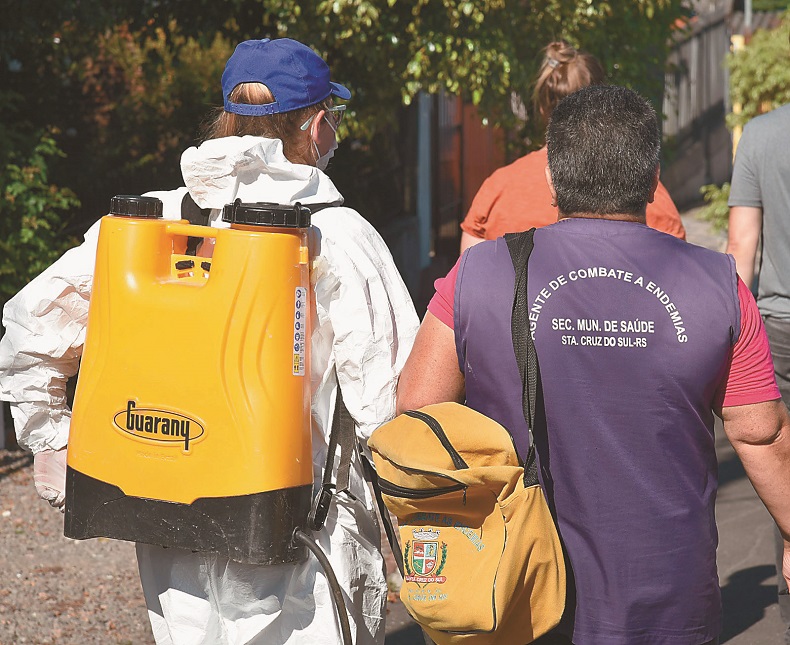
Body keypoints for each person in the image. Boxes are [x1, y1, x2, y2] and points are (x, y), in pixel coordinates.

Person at [0, 37, 419, 645]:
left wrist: (53, 440)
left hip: (170, 521)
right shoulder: (337, 237)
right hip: (305, 536)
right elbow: (391, 405)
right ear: (321, 124)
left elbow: (28, 324)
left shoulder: (152, 220)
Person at [398, 85, 790, 645]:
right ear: (653, 178)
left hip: (515, 586)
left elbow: (417, 411)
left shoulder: (478, 275)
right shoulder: (717, 285)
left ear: (553, 179)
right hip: (667, 591)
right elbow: (761, 434)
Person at [459, 41, 685, 254]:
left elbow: (468, 279)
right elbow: (674, 273)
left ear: (541, 108)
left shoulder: (498, 187)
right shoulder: (641, 187)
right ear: (603, 102)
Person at [727, 100, 790, 644]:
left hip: (780, 326)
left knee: (782, 462)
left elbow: (741, 248)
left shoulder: (764, 134)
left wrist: (732, 343)